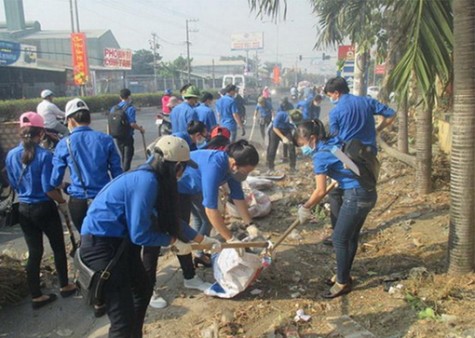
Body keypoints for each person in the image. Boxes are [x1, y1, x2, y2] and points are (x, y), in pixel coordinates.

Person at [80, 135, 220, 337]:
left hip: (120, 243)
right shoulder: (146, 181)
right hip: (101, 246)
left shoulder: (153, 178)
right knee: (122, 319)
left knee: (143, 291)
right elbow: (140, 234)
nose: (183, 173)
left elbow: (168, 218)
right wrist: (172, 242)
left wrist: (202, 240)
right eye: (183, 167)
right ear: (176, 166)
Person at [295, 120, 377, 298]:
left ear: (312, 138)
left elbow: (319, 191)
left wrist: (306, 207)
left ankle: (342, 282)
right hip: (367, 192)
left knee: (339, 239)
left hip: (356, 195)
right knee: (351, 237)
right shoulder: (333, 143)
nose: (302, 149)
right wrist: (340, 176)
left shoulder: (320, 156)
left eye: (302, 144)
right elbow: (347, 164)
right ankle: (343, 275)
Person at [5, 112, 76, 310]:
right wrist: (62, 201)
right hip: (44, 208)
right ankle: (65, 285)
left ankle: (36, 295)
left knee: (34, 252)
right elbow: (48, 188)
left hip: (24, 209)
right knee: (58, 247)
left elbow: (11, 183)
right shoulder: (45, 156)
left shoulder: (11, 155)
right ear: (42, 133)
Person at [323, 76, 395, 245]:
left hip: (346, 156)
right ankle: (352, 231)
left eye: (330, 95)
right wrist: (378, 129)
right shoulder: (366, 101)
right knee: (363, 189)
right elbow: (391, 114)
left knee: (336, 193)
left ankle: (339, 234)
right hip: (369, 156)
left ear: (336, 93)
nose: (330, 98)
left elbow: (335, 140)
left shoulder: (336, 111)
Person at [177, 140, 259, 269]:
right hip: (179, 187)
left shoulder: (233, 171)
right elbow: (211, 209)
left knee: (204, 220)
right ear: (234, 164)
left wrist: (250, 224)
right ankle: (188, 273)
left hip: (197, 187)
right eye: (245, 172)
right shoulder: (214, 167)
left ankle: (199, 254)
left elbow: (238, 197)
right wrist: (230, 239)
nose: (246, 175)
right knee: (182, 229)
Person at [51, 98, 123, 233]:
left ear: (70, 120)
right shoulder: (105, 139)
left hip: (79, 201)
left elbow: (55, 180)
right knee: (106, 238)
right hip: (104, 198)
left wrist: (66, 186)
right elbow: (118, 174)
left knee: (86, 241)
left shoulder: (64, 143)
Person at [111, 88, 145, 172]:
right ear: (129, 96)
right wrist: (140, 129)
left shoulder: (114, 108)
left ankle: (124, 171)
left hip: (117, 135)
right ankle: (125, 173)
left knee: (123, 155)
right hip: (127, 136)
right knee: (128, 156)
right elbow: (132, 123)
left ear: (120, 97)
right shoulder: (130, 108)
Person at [266, 98, 297, 174]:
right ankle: (270, 167)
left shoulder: (295, 115)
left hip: (286, 130)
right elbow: (275, 128)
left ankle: (292, 167)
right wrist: (283, 138)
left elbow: (296, 127)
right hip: (275, 131)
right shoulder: (281, 114)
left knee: (291, 146)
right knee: (272, 148)